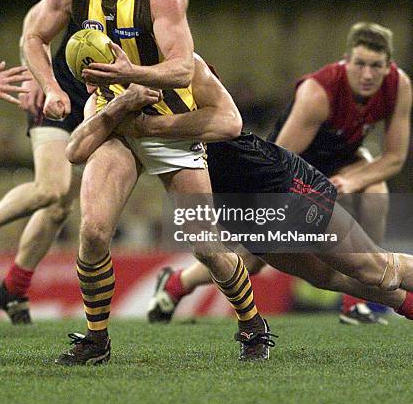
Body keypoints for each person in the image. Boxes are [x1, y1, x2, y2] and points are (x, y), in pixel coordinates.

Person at [23, 0, 270, 364]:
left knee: (208, 248)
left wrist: (131, 75)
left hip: (168, 121)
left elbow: (180, 71)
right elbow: (33, 37)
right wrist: (52, 88)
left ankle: (252, 324)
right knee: (94, 231)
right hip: (116, 116)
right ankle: (96, 339)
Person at [66, 54, 413, 329]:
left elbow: (228, 124)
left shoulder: (182, 76)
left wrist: (143, 123)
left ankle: (183, 288)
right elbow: (77, 150)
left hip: (280, 187)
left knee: (373, 267)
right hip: (242, 214)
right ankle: (407, 305)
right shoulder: (113, 108)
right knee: (328, 277)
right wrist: (116, 108)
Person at [0, 0, 188, 326]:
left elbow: (181, 64)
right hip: (66, 97)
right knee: (52, 189)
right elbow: (33, 27)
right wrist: (44, 81)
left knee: (62, 208)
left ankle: (14, 288)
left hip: (120, 104)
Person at [149, 22, 412, 325]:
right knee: (261, 261)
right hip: (281, 178)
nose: (368, 74)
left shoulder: (398, 86)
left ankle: (364, 302)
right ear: (345, 61)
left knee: (372, 213)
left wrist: (352, 179)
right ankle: (177, 283)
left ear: (388, 66)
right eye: (361, 64)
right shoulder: (319, 93)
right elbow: (282, 153)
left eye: (376, 66)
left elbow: (393, 158)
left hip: (308, 180)